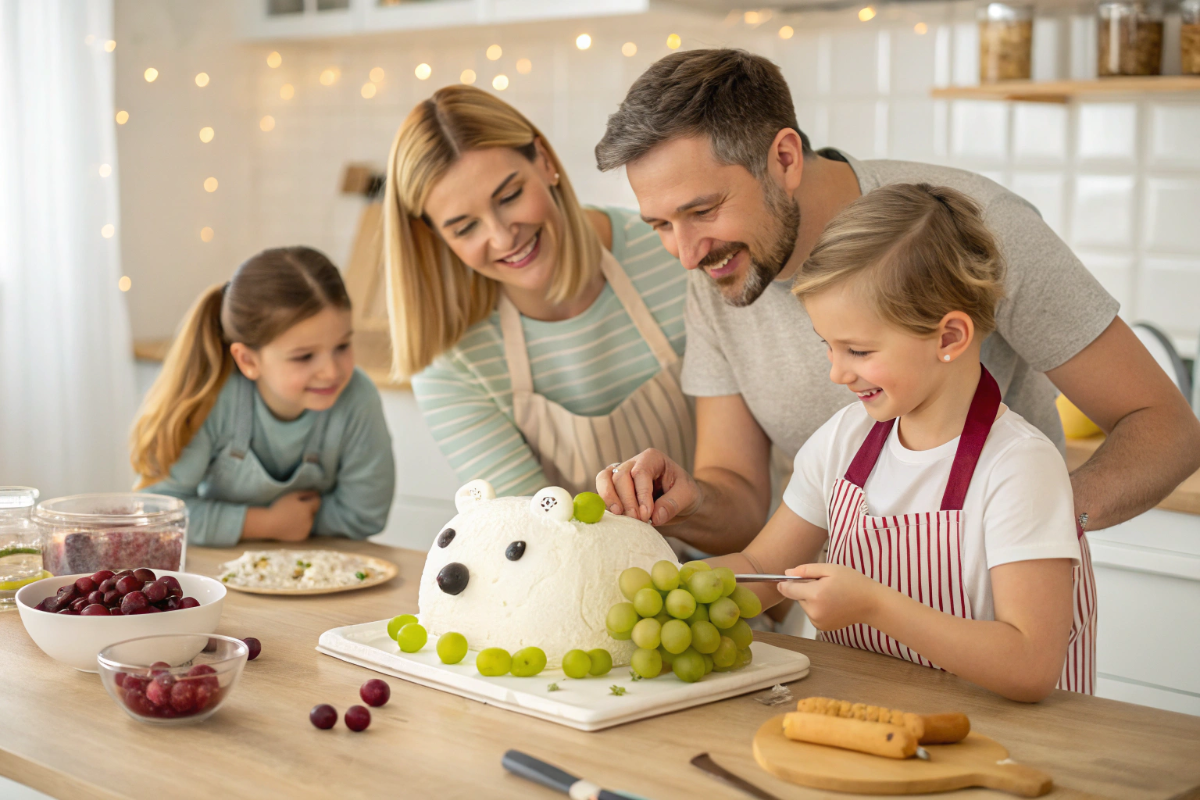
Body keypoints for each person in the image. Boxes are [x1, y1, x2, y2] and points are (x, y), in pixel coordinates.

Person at [594, 48, 1200, 552]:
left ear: (783, 158)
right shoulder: (716, 271)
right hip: (845, 631)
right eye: (659, 225)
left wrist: (1032, 534)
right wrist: (691, 501)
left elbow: (1166, 429)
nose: (686, 253)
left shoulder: (975, 228)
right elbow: (744, 499)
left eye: (702, 211)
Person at [710, 183, 1095, 699]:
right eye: (828, 346)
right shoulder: (844, 443)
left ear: (949, 337)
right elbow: (758, 571)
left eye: (858, 350)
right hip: (864, 729)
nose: (837, 372)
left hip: (1001, 754)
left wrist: (874, 605)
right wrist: (663, 577)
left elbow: (1030, 665)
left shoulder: (1019, 467)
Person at [384, 86, 691, 499]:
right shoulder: (452, 355)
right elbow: (526, 526)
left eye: (509, 197)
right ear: (436, 237)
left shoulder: (673, 251)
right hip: (580, 563)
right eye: (464, 228)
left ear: (544, 161)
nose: (502, 236)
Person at [131, 247, 396, 546]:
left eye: (342, 346)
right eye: (304, 356)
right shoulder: (211, 397)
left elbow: (366, 514)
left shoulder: (358, 398)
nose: (331, 371)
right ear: (248, 361)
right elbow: (158, 515)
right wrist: (267, 524)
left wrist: (295, 523)